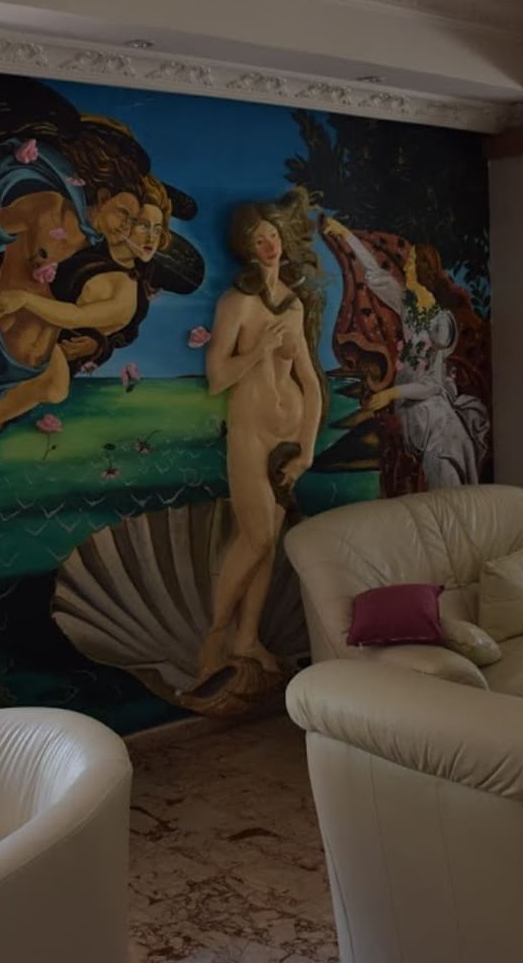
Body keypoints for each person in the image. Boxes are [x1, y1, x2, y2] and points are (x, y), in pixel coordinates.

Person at [195, 190, 326, 683]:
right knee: (257, 537)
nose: (269, 246)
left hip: (287, 438)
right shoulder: (237, 303)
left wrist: (307, 448)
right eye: (258, 240)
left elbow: (310, 383)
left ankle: (246, 639)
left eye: (273, 236)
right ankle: (213, 641)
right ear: (246, 249)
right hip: (250, 434)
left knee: (269, 545)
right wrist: (258, 351)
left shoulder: (292, 306)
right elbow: (216, 378)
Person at [323, 217, 489, 489]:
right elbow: (373, 271)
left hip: (436, 422)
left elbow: (433, 385)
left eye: (410, 263)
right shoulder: (408, 306)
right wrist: (345, 234)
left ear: (421, 271)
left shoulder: (441, 322)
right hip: (414, 410)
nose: (406, 266)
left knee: (445, 492)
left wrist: (390, 394)